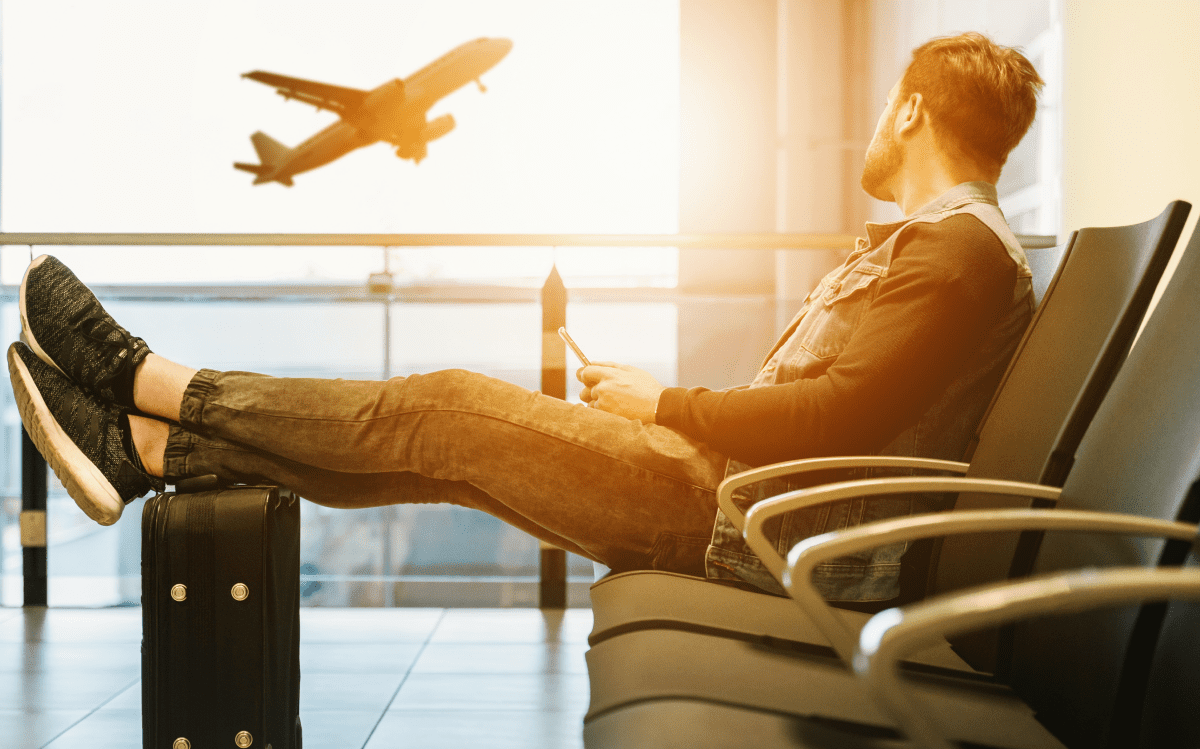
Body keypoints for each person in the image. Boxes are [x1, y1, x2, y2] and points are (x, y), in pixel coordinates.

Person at [9, 31, 1043, 603]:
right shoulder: (951, 250)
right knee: (445, 454)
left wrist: (669, 402)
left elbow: (838, 419)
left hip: (750, 527)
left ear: (909, 109)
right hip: (749, 511)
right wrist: (668, 409)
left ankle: (145, 379)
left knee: (446, 408)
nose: (872, 128)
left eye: (882, 110)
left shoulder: (955, 251)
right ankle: (150, 449)